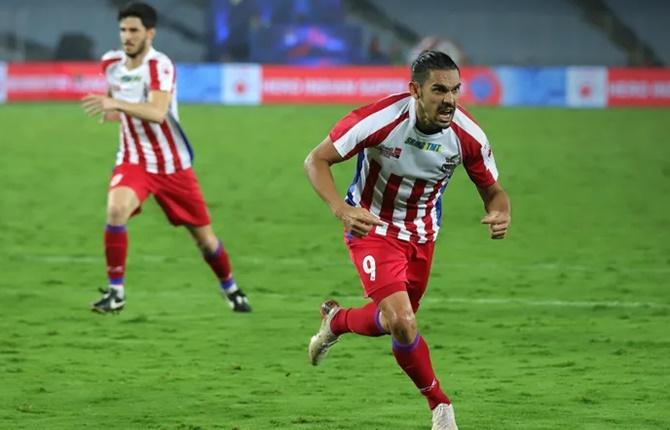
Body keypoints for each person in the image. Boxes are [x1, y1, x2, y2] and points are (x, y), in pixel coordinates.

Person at [304, 50, 511, 430]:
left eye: (455, 90)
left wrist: (501, 211)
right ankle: (441, 408)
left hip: (422, 235)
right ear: (415, 89)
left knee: (394, 322)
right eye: (439, 90)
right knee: (402, 320)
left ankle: (336, 321)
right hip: (371, 227)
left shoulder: (468, 136)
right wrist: (340, 209)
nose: (449, 99)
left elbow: (493, 192)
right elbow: (315, 160)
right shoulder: (379, 120)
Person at [81, 2, 251, 314]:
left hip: (173, 167)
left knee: (205, 240)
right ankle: (115, 292)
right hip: (133, 160)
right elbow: (121, 108)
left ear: (150, 33)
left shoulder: (161, 66)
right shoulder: (111, 64)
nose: (127, 36)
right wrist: (110, 112)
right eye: (123, 30)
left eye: (134, 30)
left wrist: (114, 103)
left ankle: (232, 289)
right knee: (116, 209)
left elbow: (157, 113)